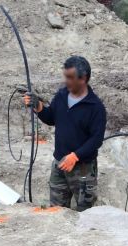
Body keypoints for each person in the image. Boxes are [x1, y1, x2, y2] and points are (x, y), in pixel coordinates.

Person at [24, 56, 107, 211]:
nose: (66, 81)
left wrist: (75, 156)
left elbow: (96, 140)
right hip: (59, 164)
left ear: (83, 79)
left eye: (70, 77)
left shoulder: (95, 107)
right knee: (56, 211)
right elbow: (51, 118)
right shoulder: (62, 96)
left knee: (85, 211)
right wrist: (39, 106)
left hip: (83, 168)